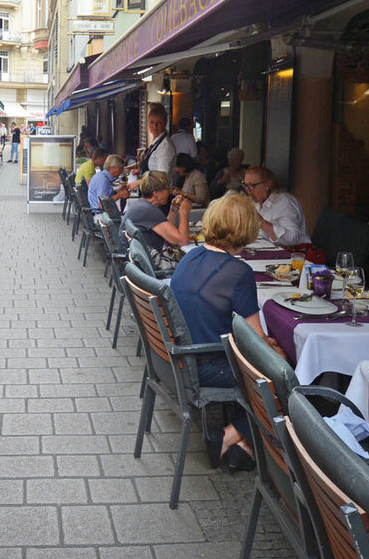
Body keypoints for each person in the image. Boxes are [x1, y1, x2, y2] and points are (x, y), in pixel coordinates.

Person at [170, 193, 286, 470]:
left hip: (183, 358)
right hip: (207, 364)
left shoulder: (192, 255)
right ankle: (230, 436)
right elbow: (257, 342)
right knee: (282, 375)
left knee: (271, 364)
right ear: (247, 229)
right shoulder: (238, 272)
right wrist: (277, 351)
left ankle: (245, 447)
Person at [119, 171, 191, 260]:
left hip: (134, 260)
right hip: (147, 265)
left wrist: (174, 209)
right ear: (156, 193)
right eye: (167, 189)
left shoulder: (142, 205)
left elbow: (168, 232)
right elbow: (182, 241)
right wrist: (184, 212)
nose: (169, 193)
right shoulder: (148, 211)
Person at [242, 166, 310, 247]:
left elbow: (293, 239)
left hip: (292, 254)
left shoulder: (284, 202)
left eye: (252, 185)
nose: (248, 190)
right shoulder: (256, 202)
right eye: (245, 185)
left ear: (268, 184)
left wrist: (261, 221)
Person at [138, 103, 177, 182]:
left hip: (160, 191)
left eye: (159, 123)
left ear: (165, 124)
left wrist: (139, 182)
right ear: (147, 123)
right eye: (152, 122)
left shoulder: (165, 146)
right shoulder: (156, 142)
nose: (155, 126)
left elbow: (162, 175)